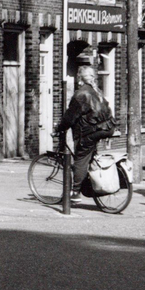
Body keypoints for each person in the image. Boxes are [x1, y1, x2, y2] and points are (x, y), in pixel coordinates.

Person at [56, 64, 116, 203]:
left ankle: (75, 192)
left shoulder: (80, 94)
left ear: (79, 78)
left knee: (80, 159)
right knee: (89, 155)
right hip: (106, 128)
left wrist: (59, 128)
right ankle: (90, 185)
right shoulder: (97, 92)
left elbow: (70, 117)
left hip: (92, 131)